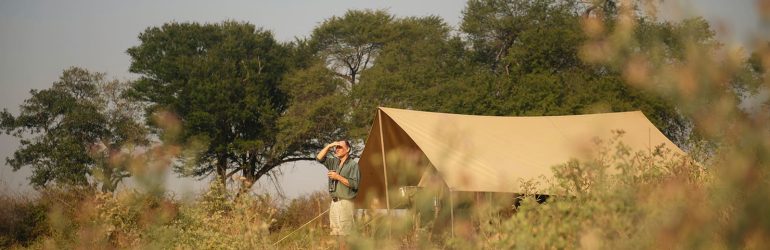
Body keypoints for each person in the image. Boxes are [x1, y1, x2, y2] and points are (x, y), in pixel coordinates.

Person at [316, 140, 360, 247]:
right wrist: (330, 145)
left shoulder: (353, 165)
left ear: (348, 149)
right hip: (334, 203)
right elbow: (319, 158)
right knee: (336, 234)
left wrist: (338, 177)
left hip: (345, 202)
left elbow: (355, 184)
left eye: (340, 147)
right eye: (336, 147)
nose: (337, 149)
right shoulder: (334, 162)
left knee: (345, 234)